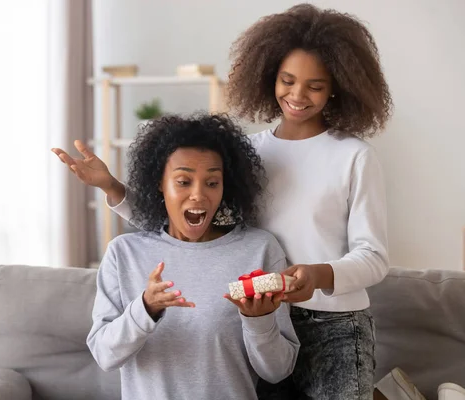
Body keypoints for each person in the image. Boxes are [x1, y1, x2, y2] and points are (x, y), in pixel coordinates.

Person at [55, 4, 392, 398]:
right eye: (287, 80)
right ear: (269, 77)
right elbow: (189, 216)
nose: (298, 95)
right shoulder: (249, 153)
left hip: (332, 324)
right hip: (252, 319)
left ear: (338, 86)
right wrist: (114, 188)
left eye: (315, 86)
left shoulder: (353, 156)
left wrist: (317, 275)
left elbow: (374, 257)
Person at [78, 113, 299, 400]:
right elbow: (105, 356)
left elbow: (278, 371)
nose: (198, 195)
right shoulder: (124, 254)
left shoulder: (259, 249)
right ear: (160, 183)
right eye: (183, 181)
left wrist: (259, 321)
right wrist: (145, 308)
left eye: (212, 182)